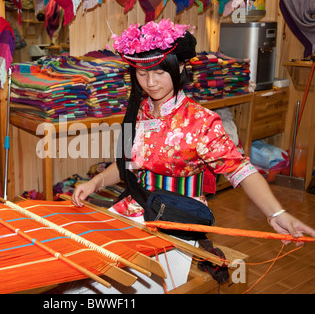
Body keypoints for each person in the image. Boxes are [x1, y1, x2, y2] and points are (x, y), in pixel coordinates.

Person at [68, 19, 315, 293]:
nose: (151, 83)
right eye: (142, 73)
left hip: (176, 220)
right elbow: (129, 164)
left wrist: (276, 212)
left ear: (181, 67)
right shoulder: (139, 111)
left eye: (161, 73)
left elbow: (240, 170)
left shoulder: (200, 121)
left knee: (130, 287)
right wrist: (96, 183)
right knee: (86, 276)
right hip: (136, 208)